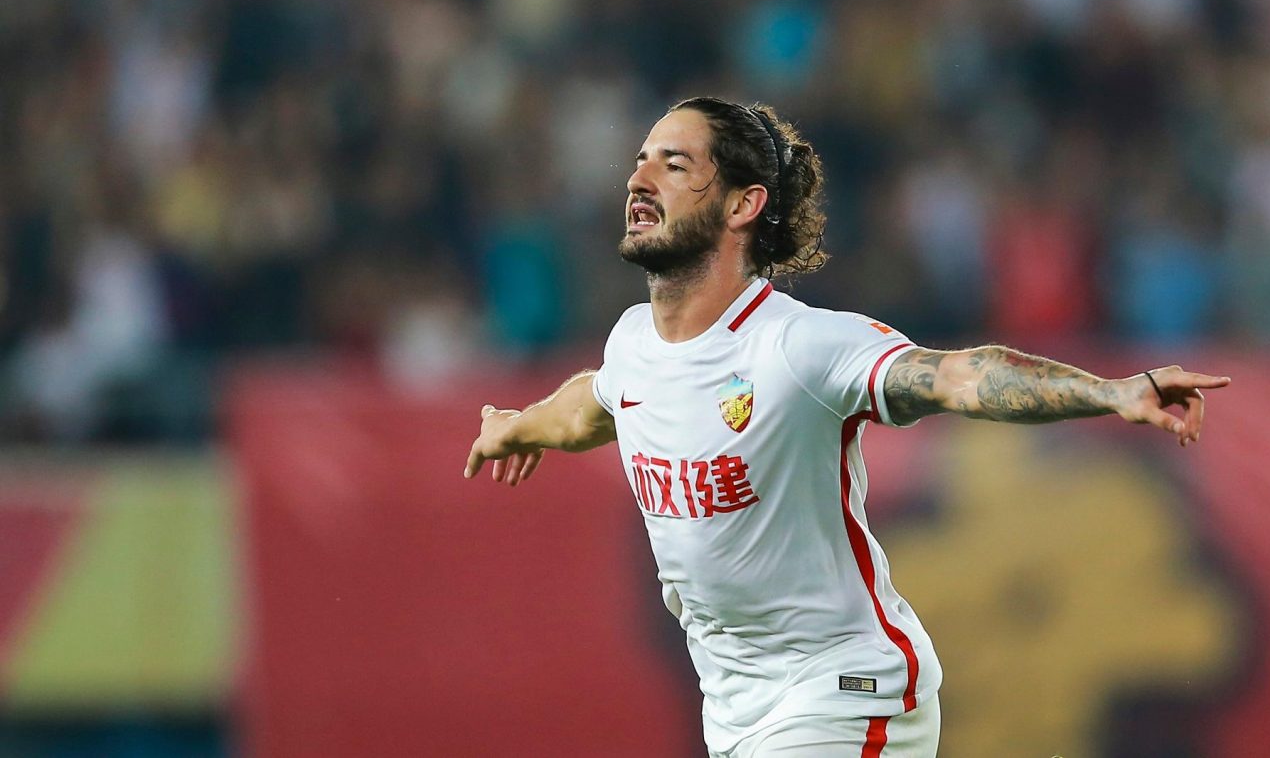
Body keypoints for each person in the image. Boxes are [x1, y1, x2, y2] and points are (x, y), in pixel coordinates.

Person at [462, 97, 1230, 758]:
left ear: (742, 204)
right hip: (737, 708)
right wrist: (517, 426)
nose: (639, 178)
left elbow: (958, 374)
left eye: (675, 163)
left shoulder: (798, 347)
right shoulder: (633, 341)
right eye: (641, 160)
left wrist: (1109, 391)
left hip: (845, 687)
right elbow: (594, 404)